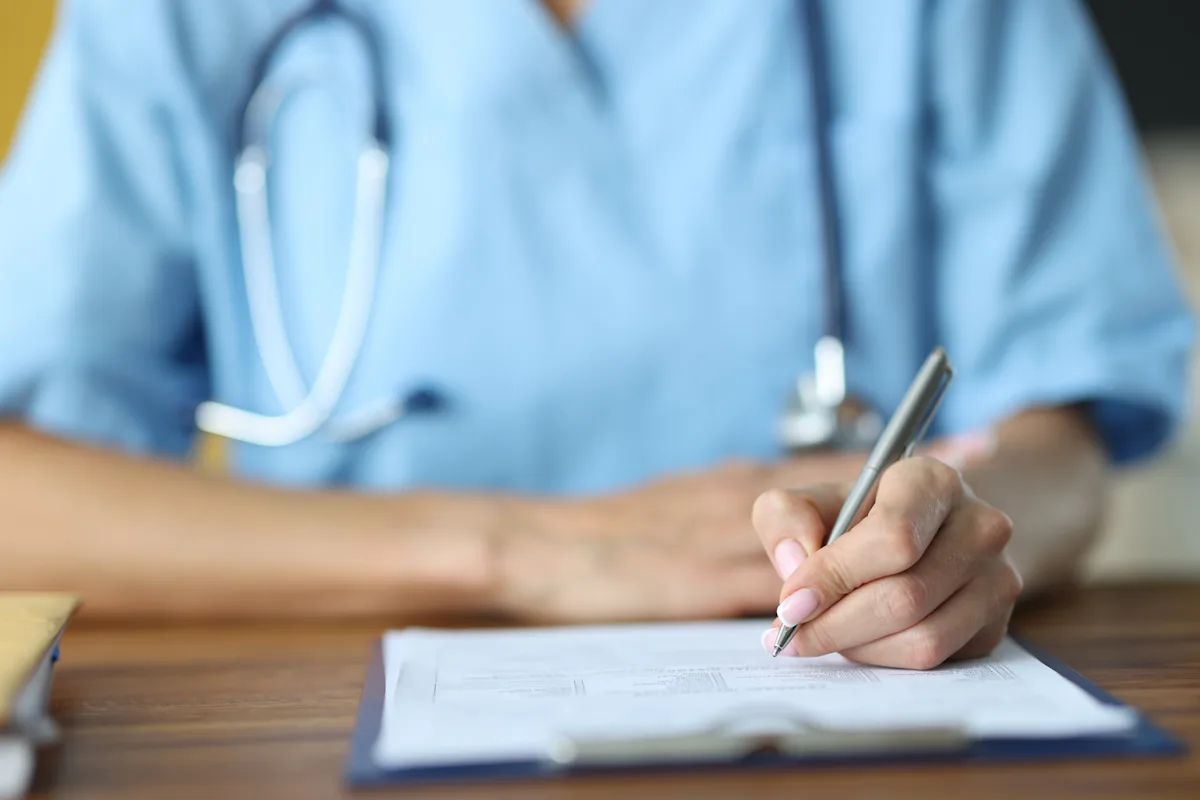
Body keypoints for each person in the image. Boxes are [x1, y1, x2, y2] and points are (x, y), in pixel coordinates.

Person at [0, 0, 1191, 670]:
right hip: (319, 722)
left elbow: (1064, 441)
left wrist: (952, 527)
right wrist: (526, 546)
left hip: (834, 712)